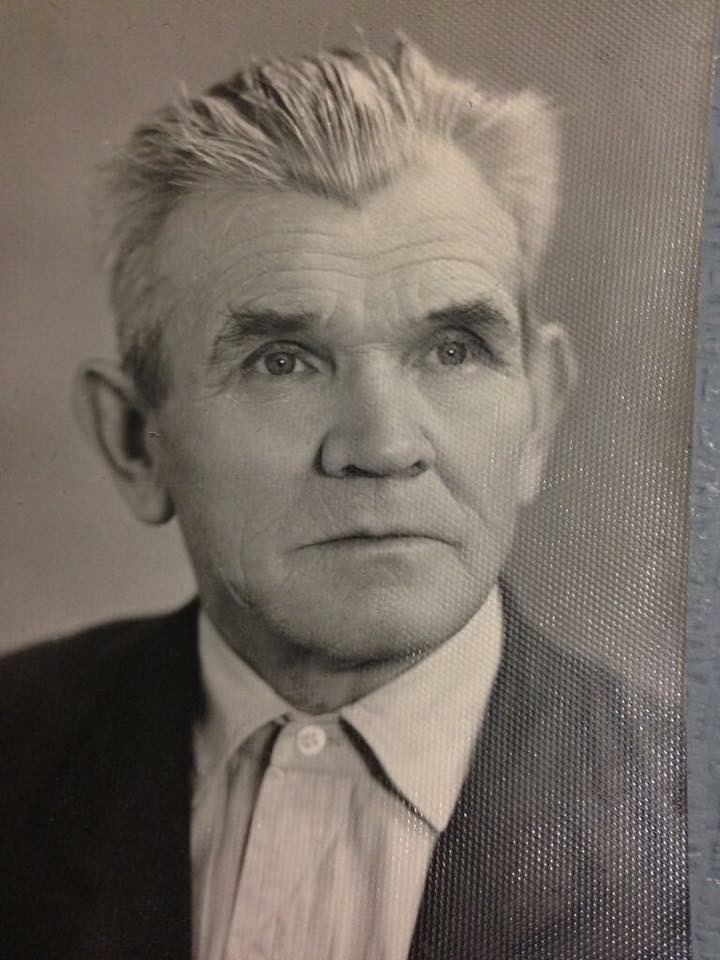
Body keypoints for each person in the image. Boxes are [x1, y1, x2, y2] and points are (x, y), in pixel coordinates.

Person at [0, 37, 689, 960]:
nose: (384, 447)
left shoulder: (688, 821)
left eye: (454, 350)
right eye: (281, 362)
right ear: (135, 441)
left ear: (539, 414)